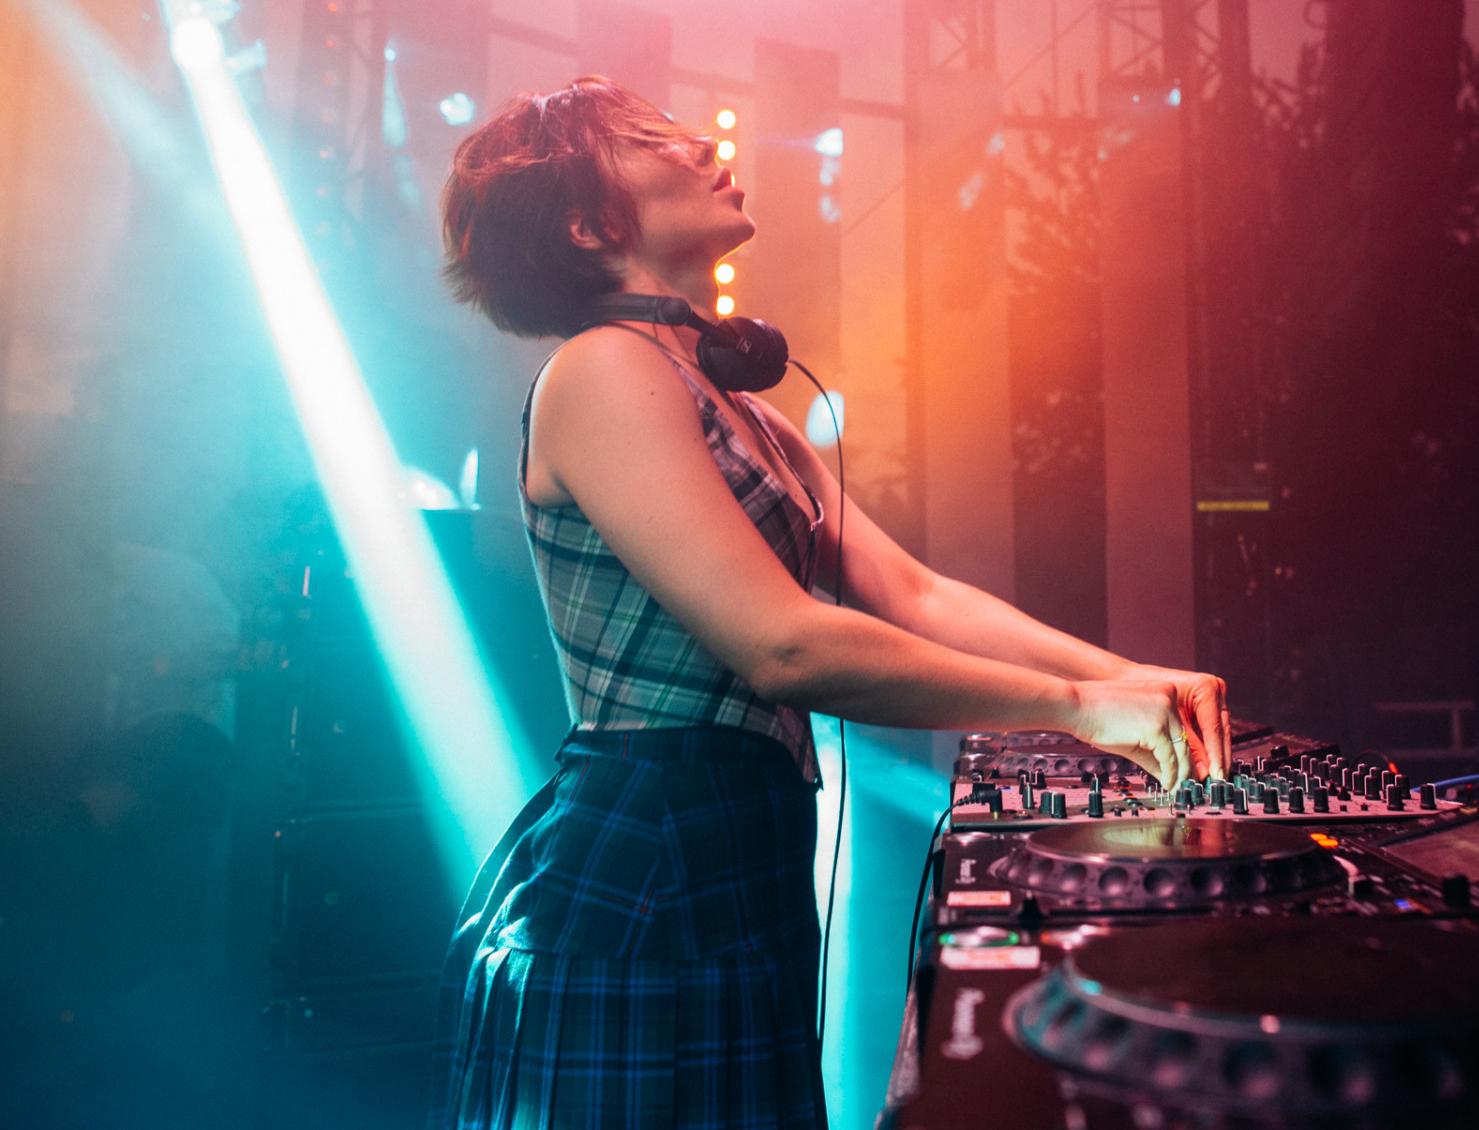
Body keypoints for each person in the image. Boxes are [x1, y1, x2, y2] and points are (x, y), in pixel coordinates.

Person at [430, 76, 1228, 1129]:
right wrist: (1076, 708)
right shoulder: (602, 370)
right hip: (647, 849)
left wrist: (1132, 680)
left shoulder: (738, 406)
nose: (701, 143)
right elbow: (785, 646)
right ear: (588, 224)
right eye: (652, 138)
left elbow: (913, 592)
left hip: (736, 843)